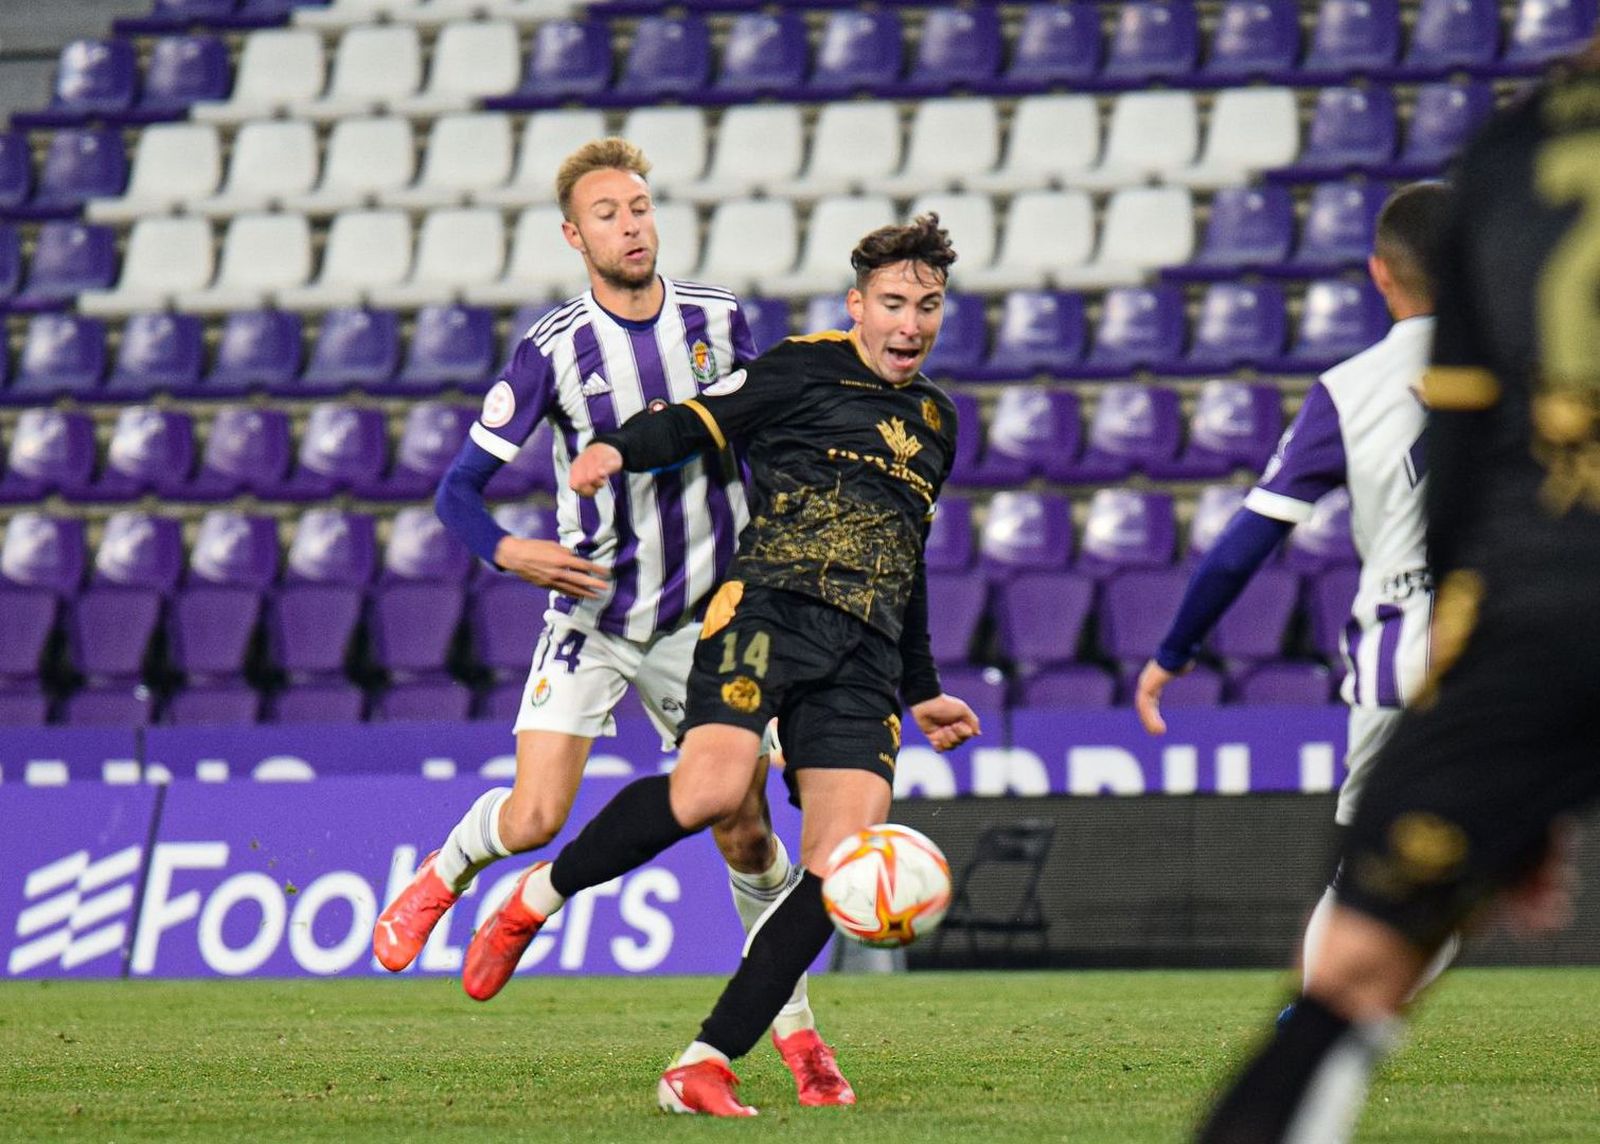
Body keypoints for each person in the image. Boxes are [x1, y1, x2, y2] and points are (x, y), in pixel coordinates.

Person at [460, 214, 982, 1117]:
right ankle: (535, 897)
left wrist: (923, 687)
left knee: (839, 862)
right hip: (767, 613)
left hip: (864, 655)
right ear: (858, 305)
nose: (910, 325)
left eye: (927, 307)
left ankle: (702, 1063)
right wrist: (617, 447)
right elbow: (696, 421)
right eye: (893, 304)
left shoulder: (937, 418)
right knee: (708, 791)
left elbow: (909, 553)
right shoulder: (802, 365)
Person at [370, 137, 855, 1106]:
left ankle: (797, 1039)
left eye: (639, 207)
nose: (629, 225)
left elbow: (762, 440)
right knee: (536, 816)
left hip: (709, 621)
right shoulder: (551, 350)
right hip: (594, 610)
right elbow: (458, 488)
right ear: (573, 234)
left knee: (746, 834)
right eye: (607, 213)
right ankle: (445, 873)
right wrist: (506, 550)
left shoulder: (721, 321)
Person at [1197, 44, 1600, 1144]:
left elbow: (1461, 451)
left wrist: (1496, 699)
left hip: (1537, 613)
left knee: (1358, 967)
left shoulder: (1508, 150)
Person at [1135, 182, 1460, 1007]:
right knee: (1462, 862)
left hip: (1403, 644)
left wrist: (1172, 653)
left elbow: (1246, 542)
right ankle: (1327, 1015)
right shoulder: (1536, 362)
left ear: (1380, 273)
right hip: (1518, 636)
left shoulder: (1351, 389)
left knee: (1381, 866)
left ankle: (1314, 1022)